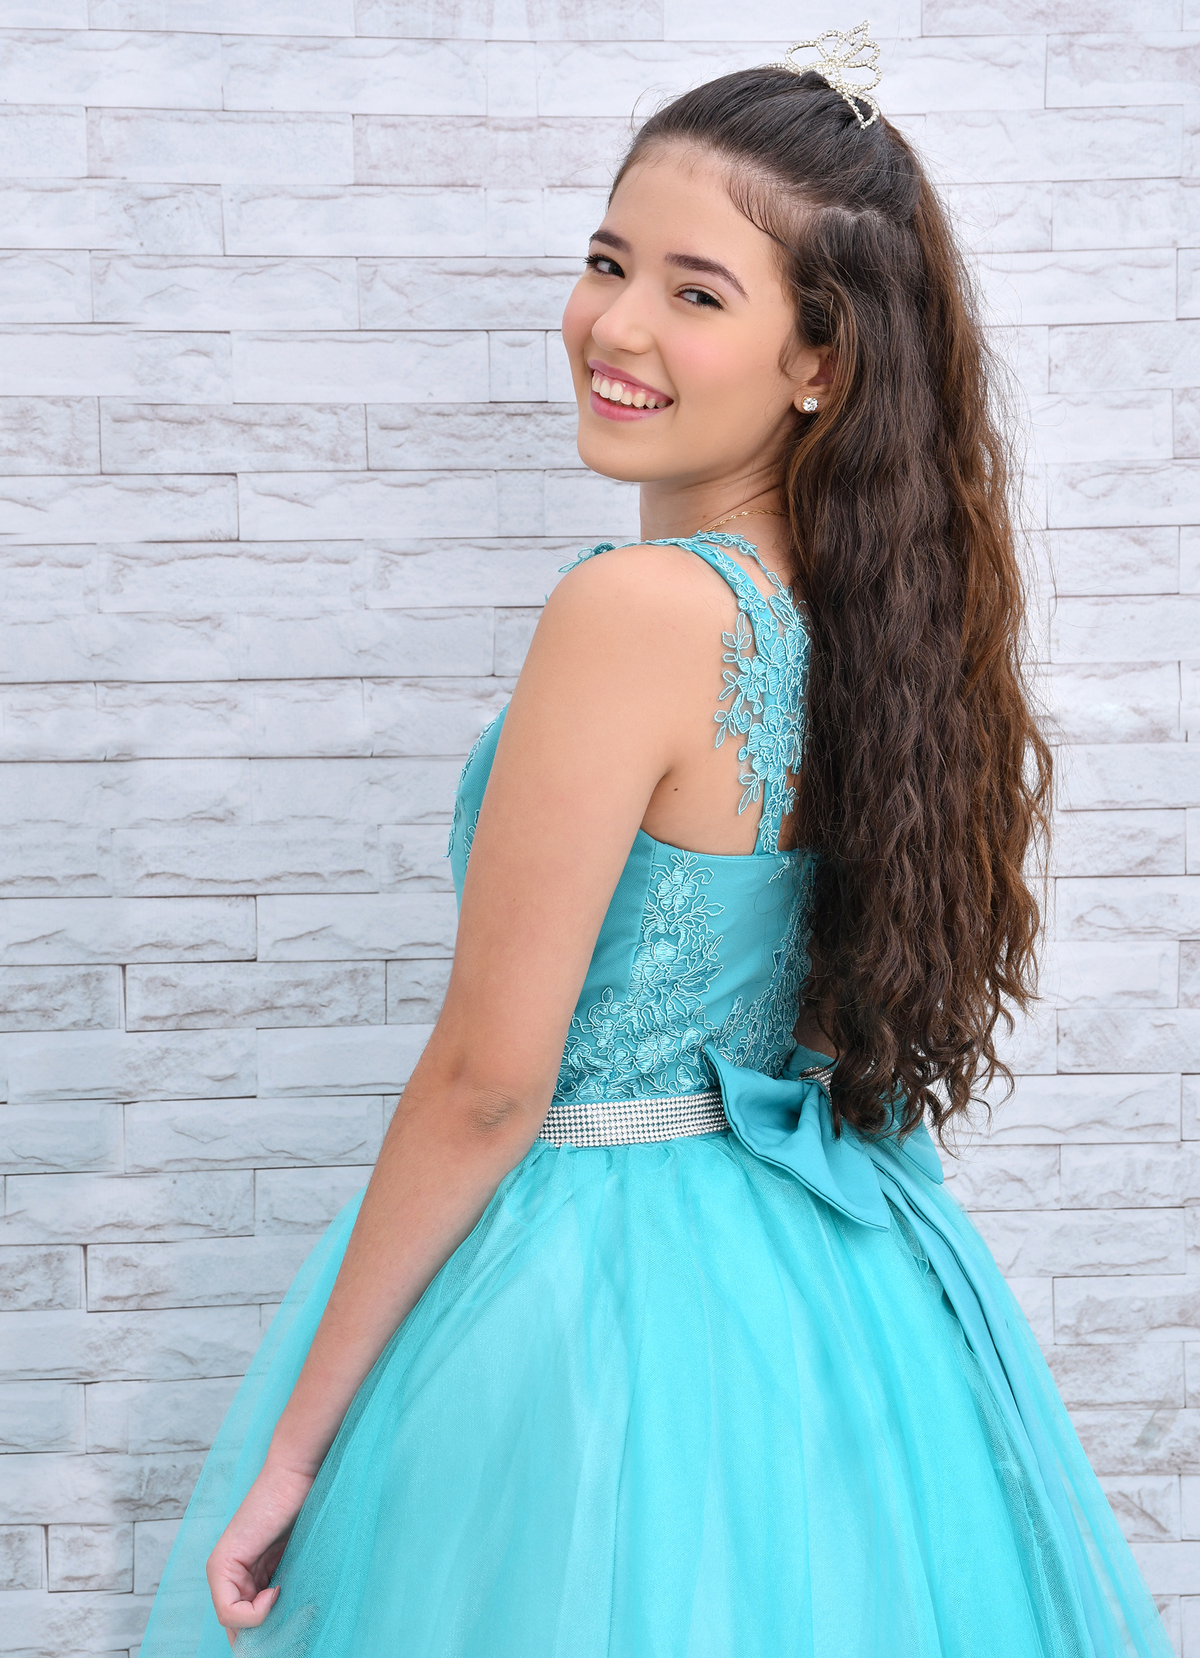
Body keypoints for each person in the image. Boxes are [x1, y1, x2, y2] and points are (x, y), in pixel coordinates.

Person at [139, 36, 1173, 1658]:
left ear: (818, 359)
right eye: (608, 261)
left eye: (697, 292)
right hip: (827, 1298)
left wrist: (292, 1450)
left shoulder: (634, 610)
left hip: (596, 1287)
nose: (616, 327)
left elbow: (490, 1078)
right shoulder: (879, 626)